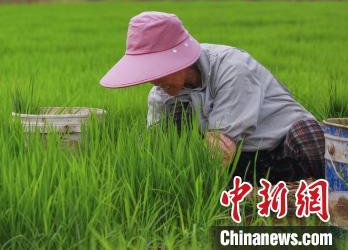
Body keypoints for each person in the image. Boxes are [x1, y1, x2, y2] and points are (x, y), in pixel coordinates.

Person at [99, 11, 324, 183]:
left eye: (157, 70)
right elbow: (153, 148)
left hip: (284, 148)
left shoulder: (232, 68)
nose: (154, 81)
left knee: (306, 135)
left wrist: (200, 187)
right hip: (246, 159)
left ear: (181, 60)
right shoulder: (161, 94)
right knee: (172, 124)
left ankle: (327, 196)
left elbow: (220, 147)